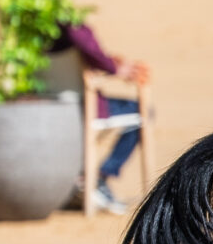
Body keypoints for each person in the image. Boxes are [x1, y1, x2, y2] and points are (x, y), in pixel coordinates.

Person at [44, 21, 150, 214]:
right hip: (85, 107)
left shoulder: (27, 28)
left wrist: (109, 63)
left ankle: (78, 181)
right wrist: (115, 69)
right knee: (142, 112)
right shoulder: (71, 26)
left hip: (45, 108)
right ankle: (99, 178)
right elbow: (89, 49)